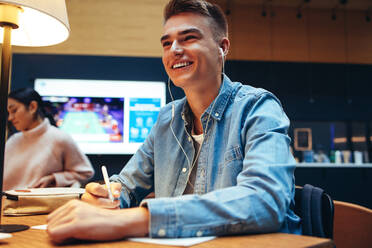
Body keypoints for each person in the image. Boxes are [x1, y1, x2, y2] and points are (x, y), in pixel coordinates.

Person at [47, 0, 301, 243]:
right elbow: (125, 186)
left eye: (188, 38)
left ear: (222, 47)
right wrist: (106, 196)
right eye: (166, 43)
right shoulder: (166, 119)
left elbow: (266, 201)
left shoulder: (258, 107)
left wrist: (134, 219)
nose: (175, 49)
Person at [4, 88, 94, 190]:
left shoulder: (59, 138)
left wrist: (54, 178)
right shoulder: (13, 141)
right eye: (9, 113)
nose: (10, 118)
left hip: (40, 204)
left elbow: (85, 173)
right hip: (7, 204)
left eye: (14, 110)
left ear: (32, 107)